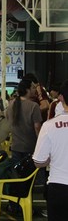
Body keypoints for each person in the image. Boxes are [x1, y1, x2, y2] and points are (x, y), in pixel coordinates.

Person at [33, 81, 68, 221]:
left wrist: (51, 159)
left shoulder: (49, 126)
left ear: (61, 98)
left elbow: (38, 161)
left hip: (58, 185)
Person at [6, 79, 42, 213]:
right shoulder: (34, 106)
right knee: (28, 181)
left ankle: (13, 206)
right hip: (30, 148)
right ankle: (26, 208)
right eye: (32, 88)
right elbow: (37, 128)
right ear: (27, 89)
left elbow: (9, 124)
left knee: (15, 178)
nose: (34, 90)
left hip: (15, 147)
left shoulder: (11, 104)